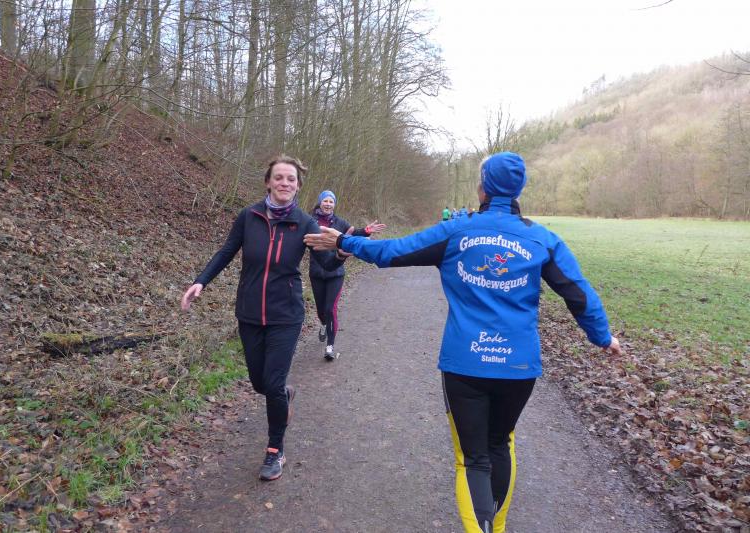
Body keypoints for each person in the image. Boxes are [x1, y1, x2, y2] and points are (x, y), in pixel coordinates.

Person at [305, 151, 622, 533]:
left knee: (472, 459)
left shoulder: (456, 231)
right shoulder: (542, 239)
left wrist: (345, 241)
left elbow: (393, 252)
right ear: (518, 190)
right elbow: (579, 294)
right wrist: (602, 337)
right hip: (518, 366)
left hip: (465, 364)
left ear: (483, 188)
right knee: (499, 443)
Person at [181, 155, 347, 482]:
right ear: (268, 182)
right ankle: (284, 395)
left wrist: (342, 251)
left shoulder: (305, 223)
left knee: (272, 383)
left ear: (298, 186)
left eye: (291, 179)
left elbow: (327, 263)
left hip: (286, 314)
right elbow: (226, 252)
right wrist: (201, 281)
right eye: (279, 177)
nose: (285, 183)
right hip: (249, 312)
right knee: (261, 383)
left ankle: (275, 450)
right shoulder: (249, 216)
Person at [309, 190, 386, 360]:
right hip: (316, 272)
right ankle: (323, 323)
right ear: (320, 202)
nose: (328, 204)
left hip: (336, 272)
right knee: (321, 311)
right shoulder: (310, 221)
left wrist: (366, 231)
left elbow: (354, 233)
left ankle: (330, 346)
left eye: (331, 201)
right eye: (325, 201)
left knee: (330, 309)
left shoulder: (340, 222)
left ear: (334, 204)